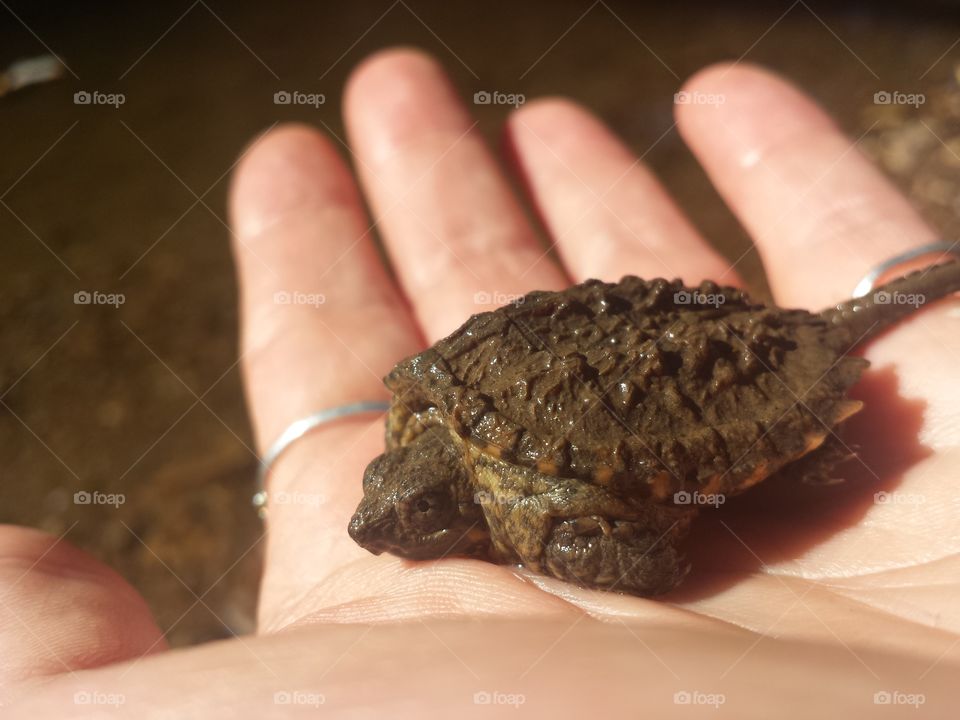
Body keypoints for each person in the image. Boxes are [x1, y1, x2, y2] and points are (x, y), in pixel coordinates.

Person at [1, 49, 955, 717]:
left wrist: (567, 544)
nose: (372, 530)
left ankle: (816, 445)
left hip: (744, 367)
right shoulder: (424, 407)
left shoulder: (536, 506)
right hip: (659, 330)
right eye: (390, 502)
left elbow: (654, 563)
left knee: (805, 469)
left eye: (407, 519)